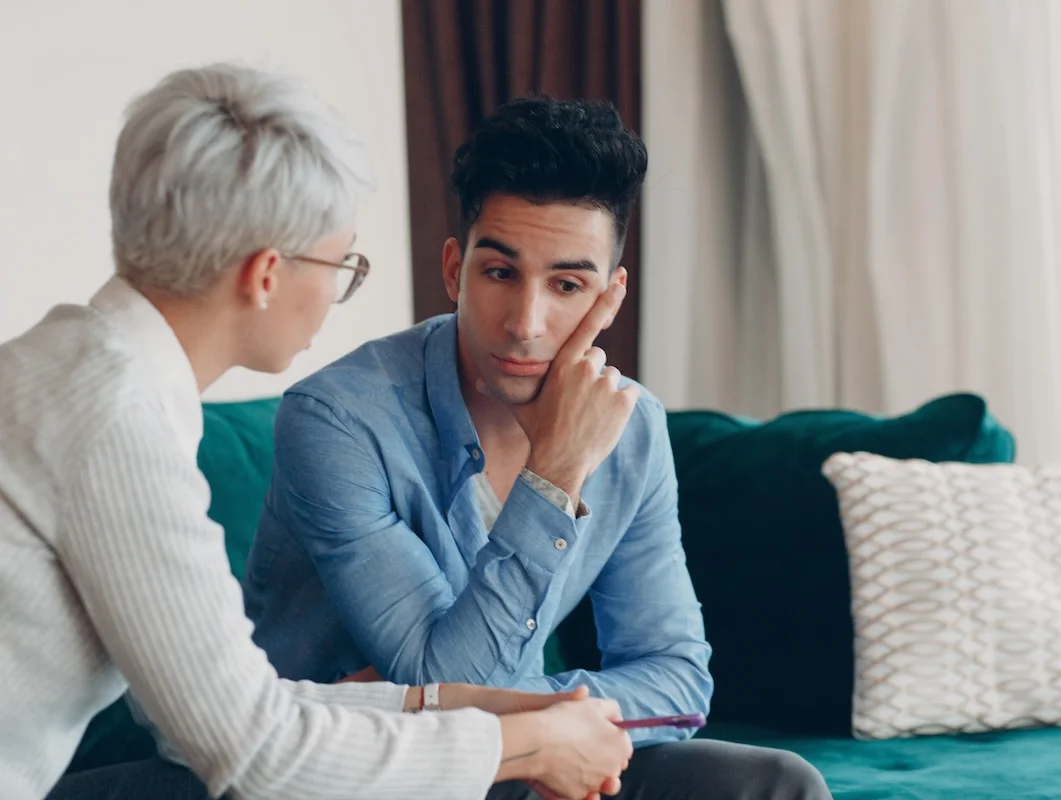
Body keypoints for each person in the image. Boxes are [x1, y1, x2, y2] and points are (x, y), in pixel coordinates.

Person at [0, 64, 634, 800]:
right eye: (343, 263)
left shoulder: (72, 370)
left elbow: (203, 714)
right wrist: (525, 743)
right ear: (268, 274)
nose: (338, 290)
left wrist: (459, 705)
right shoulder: (113, 422)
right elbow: (256, 752)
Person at [241, 95, 834, 799]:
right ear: (454, 268)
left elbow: (677, 678)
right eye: (500, 273)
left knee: (772, 784)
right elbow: (443, 685)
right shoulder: (338, 420)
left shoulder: (632, 426)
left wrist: (547, 722)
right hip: (346, 771)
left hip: (504, 759)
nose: (527, 322)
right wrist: (556, 474)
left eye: (567, 285)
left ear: (610, 296)